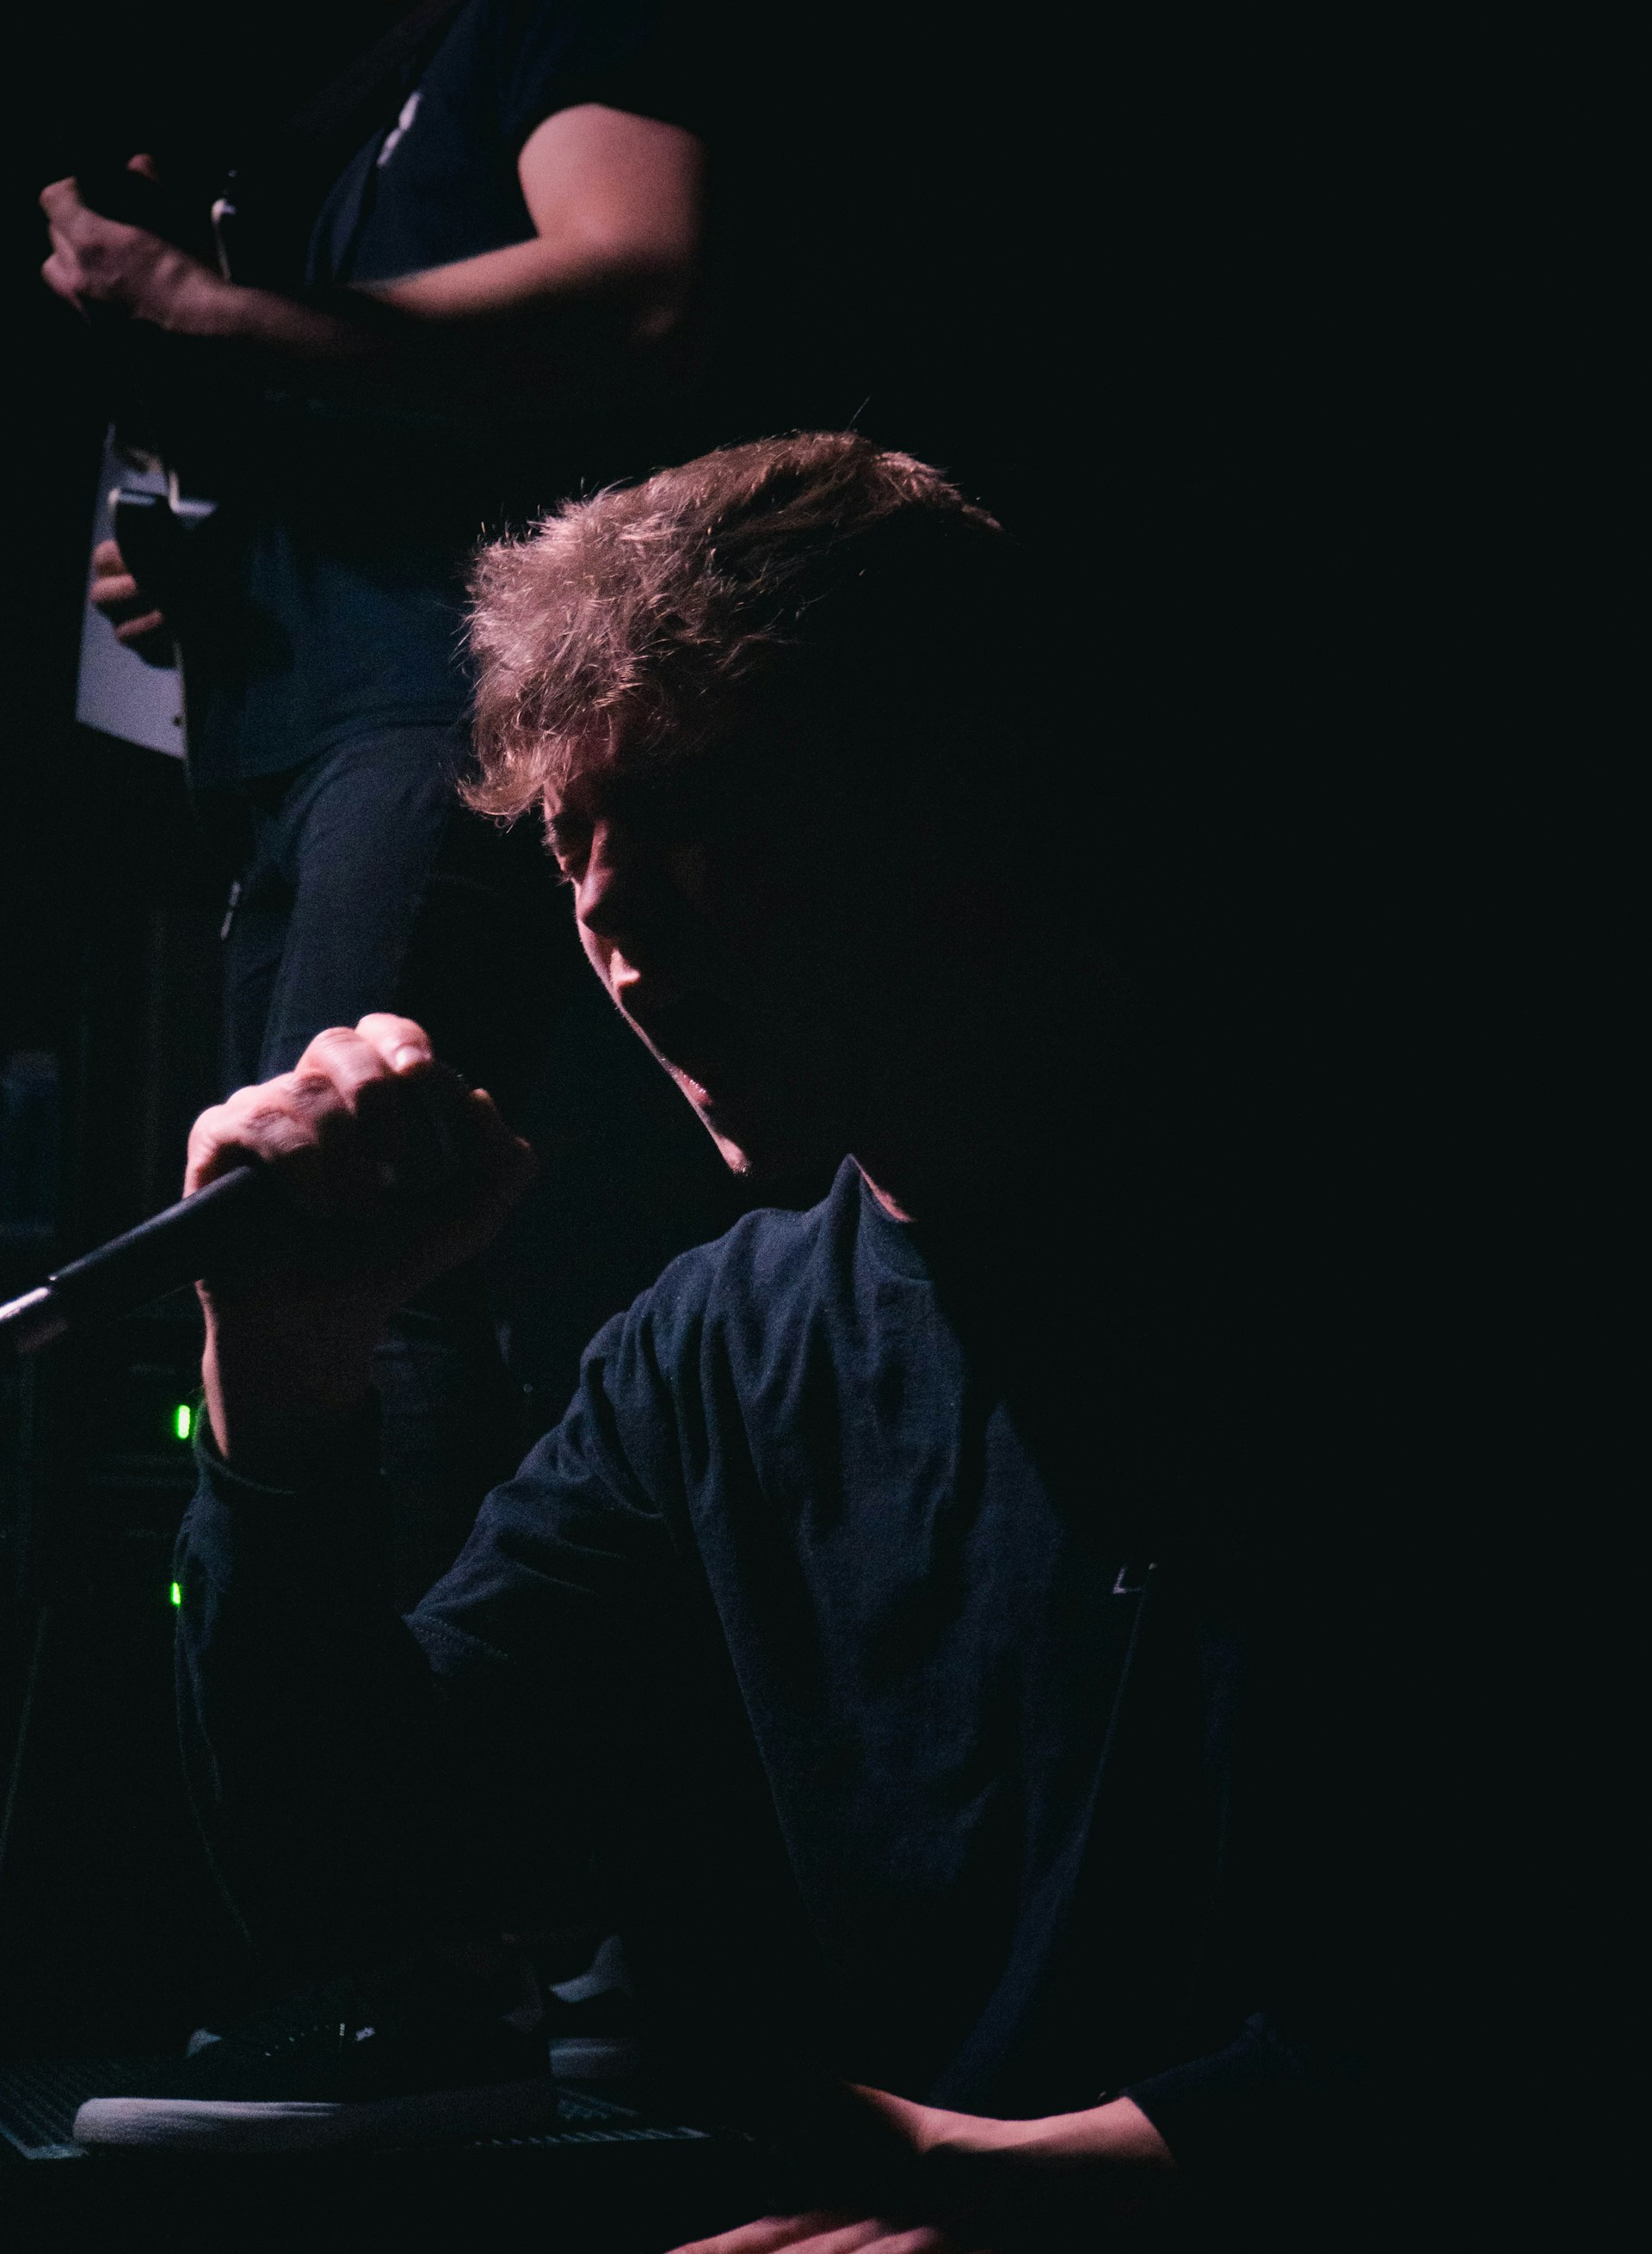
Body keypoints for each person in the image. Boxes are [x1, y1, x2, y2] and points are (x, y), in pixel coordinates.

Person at [71, 434, 1377, 2246]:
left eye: (687, 802)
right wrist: (282, 1375)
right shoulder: (721, 1355)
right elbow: (362, 1867)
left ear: (964, 792)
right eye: (563, 835)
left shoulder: (1370, 1269)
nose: (602, 910)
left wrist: (1031, 2191)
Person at [41, 0, 712, 1586]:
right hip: (288, 754)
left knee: (353, 1253)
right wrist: (207, 564)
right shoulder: (333, 120)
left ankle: (389, 1766)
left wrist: (201, 309)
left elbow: (641, 271)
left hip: (429, 717)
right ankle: (308, 1719)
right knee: (292, 1246)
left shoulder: (525, 32)